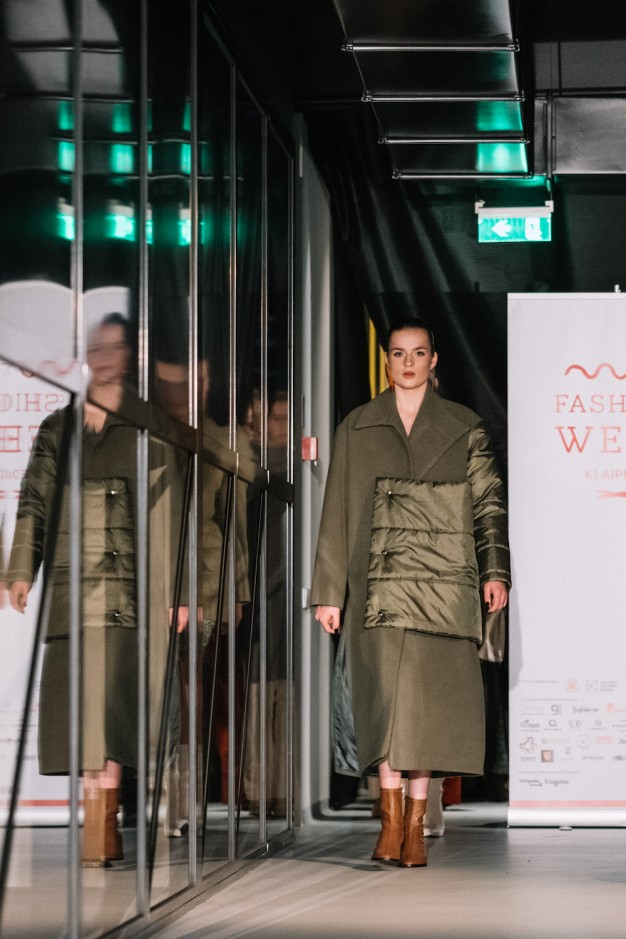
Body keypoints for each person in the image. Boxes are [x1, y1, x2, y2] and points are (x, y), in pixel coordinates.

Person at [311, 316, 510, 868]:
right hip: (374, 586)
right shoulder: (358, 426)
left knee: (429, 709)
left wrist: (495, 571)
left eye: (418, 353)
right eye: (398, 353)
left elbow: (488, 503)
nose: (408, 363)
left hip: (443, 585)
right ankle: (390, 821)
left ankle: (415, 828)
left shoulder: (463, 425)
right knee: (384, 703)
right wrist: (329, 592)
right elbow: (336, 511)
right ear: (387, 361)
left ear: (433, 360)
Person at [7, 313, 187, 867]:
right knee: (80, 708)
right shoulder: (58, 427)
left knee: (113, 709)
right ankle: (97, 823)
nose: (105, 357)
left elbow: (172, 512)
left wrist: (177, 591)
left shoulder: (151, 424)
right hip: (72, 584)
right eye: (96, 347)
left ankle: (105, 822)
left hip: (132, 589)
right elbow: (35, 498)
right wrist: (19, 569)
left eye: (114, 347)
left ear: (129, 354)